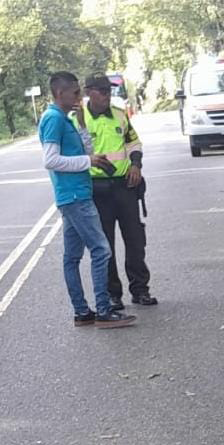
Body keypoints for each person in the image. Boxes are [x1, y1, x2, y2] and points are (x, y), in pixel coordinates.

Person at [38, 72, 136, 329]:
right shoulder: (53, 119)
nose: (78, 97)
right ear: (60, 93)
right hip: (75, 195)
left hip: (75, 193)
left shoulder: (66, 118)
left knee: (72, 257)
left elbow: (87, 150)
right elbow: (50, 159)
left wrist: (82, 124)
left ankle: (83, 312)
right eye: (74, 93)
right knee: (101, 249)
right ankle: (104, 310)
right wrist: (87, 162)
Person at [75, 74, 157, 311]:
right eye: (101, 90)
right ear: (88, 91)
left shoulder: (120, 114)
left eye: (108, 90)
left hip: (124, 186)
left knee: (135, 239)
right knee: (104, 244)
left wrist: (136, 164)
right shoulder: (78, 119)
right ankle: (113, 295)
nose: (106, 94)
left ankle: (140, 290)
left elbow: (134, 143)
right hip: (97, 189)